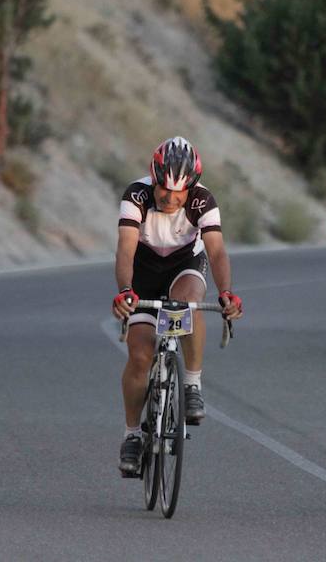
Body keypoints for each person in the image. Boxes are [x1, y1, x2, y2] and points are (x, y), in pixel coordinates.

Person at [112, 136, 243, 477]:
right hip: (143, 269)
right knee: (139, 355)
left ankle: (192, 384)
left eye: (178, 193)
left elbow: (215, 252)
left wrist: (227, 292)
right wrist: (125, 290)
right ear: (153, 179)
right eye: (163, 190)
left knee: (186, 305)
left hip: (185, 264)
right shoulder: (136, 195)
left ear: (191, 189)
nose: (169, 199)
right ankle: (131, 436)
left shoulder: (203, 201)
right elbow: (126, 250)